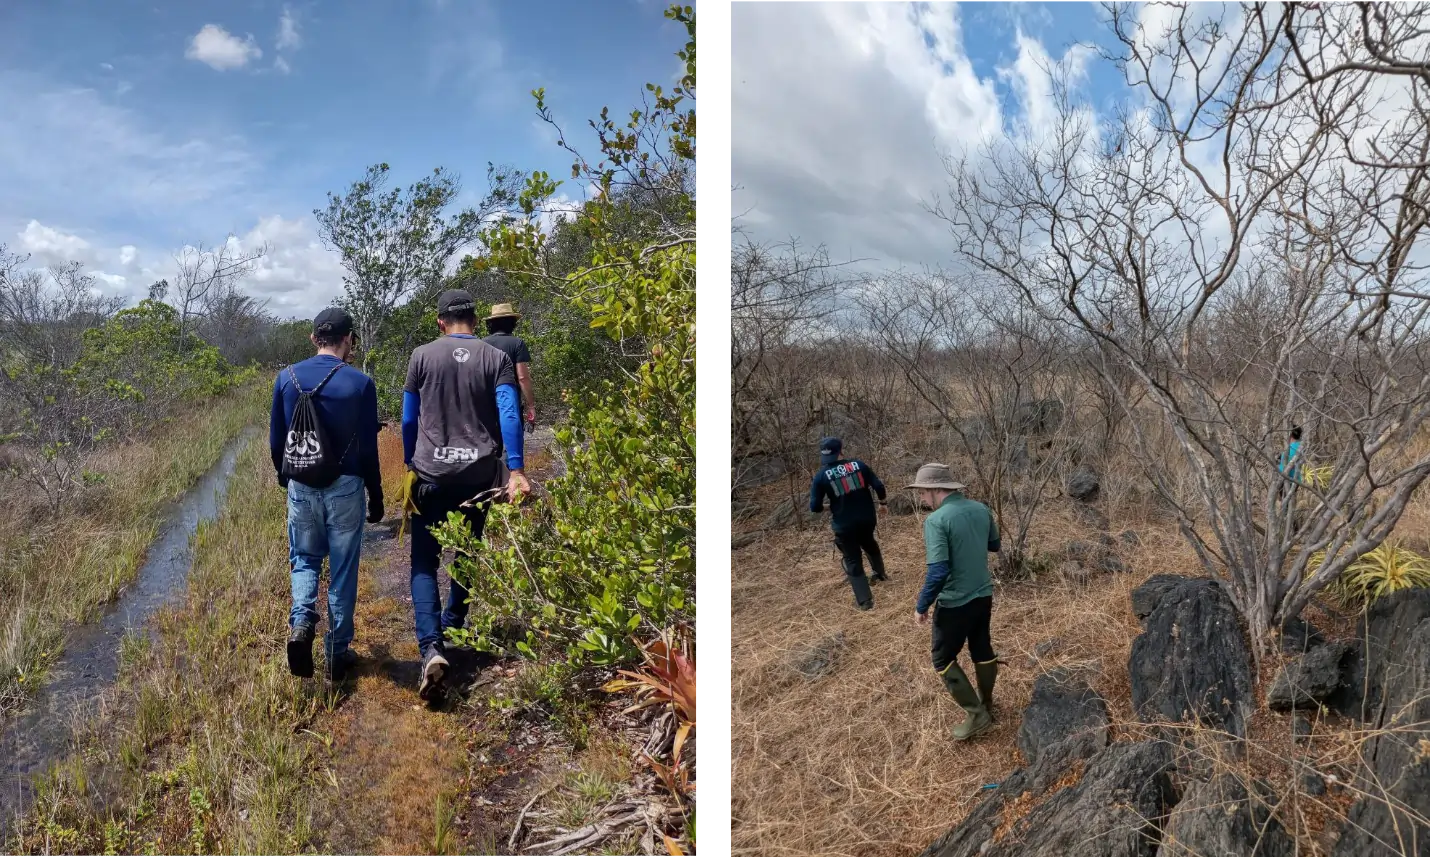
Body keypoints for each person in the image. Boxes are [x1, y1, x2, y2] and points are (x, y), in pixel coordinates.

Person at [401, 288, 530, 699]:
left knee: (424, 560)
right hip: (478, 477)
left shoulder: (422, 356)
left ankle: (431, 647)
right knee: (468, 551)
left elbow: (408, 418)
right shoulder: (497, 358)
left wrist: (410, 461)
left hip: (431, 474)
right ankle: (454, 622)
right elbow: (510, 412)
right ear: (475, 321)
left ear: (441, 322)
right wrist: (516, 470)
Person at [269, 307, 383, 681]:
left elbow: (277, 442)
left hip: (301, 484)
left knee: (304, 559)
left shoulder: (285, 379)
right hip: (346, 487)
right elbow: (368, 448)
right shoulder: (360, 383)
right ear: (349, 338)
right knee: (343, 569)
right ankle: (336, 652)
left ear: (313, 338)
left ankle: (302, 624)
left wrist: (288, 481)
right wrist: (376, 493)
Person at [908, 463, 1000, 741]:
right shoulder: (981, 509)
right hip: (983, 592)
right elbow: (994, 546)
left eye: (923, 493)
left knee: (942, 658)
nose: (922, 499)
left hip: (955, 601)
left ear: (937, 490)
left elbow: (939, 570)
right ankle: (986, 702)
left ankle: (977, 715)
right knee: (981, 646)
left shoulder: (936, 521)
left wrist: (922, 605)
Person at [809, 437, 888, 610]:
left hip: (844, 524)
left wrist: (829, 507)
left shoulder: (821, 476)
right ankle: (880, 574)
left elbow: (814, 507)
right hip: (867, 518)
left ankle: (865, 601)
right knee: (869, 542)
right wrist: (883, 503)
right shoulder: (859, 465)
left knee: (852, 558)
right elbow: (878, 485)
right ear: (841, 451)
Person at [482, 303, 537, 430]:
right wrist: (531, 406)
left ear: (491, 324)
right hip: (510, 401)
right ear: (511, 323)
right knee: (511, 442)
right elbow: (522, 377)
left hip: (485, 402)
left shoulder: (482, 343)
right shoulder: (517, 343)